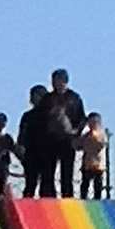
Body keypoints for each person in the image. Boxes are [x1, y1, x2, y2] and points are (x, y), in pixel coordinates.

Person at [39, 68, 87, 198]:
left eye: (59, 81)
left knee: (67, 172)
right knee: (48, 172)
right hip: (50, 140)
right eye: (54, 81)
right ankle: (49, 197)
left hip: (67, 140)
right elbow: (40, 118)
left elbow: (82, 118)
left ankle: (68, 197)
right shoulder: (47, 99)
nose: (56, 84)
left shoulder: (74, 98)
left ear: (65, 82)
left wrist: (76, 133)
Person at [17, 84, 49, 198]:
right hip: (31, 153)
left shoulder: (49, 115)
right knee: (30, 182)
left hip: (47, 152)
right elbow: (22, 134)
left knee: (46, 183)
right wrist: (21, 147)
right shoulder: (27, 116)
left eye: (34, 96)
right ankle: (27, 204)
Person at [79, 112, 108, 200]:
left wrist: (94, 136)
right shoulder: (86, 136)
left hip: (98, 164)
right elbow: (80, 145)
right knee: (85, 183)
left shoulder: (101, 135)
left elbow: (101, 144)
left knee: (98, 184)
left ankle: (97, 198)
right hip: (87, 163)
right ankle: (83, 197)